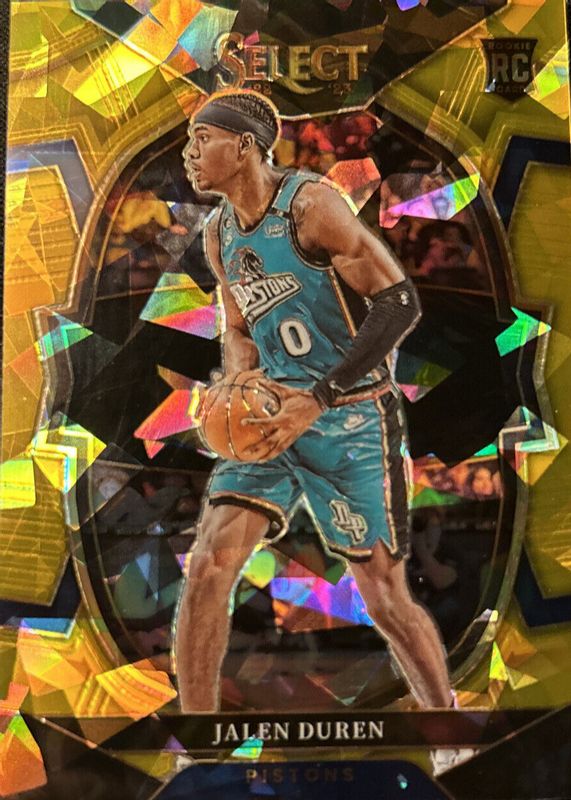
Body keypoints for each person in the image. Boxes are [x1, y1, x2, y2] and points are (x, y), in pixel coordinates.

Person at [174, 89, 454, 713]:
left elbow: (399, 301)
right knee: (209, 566)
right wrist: (237, 385)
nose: (189, 153)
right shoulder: (219, 234)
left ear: (243, 146)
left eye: (202, 139)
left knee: (385, 598)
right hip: (273, 419)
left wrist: (320, 398)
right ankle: (196, 742)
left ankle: (449, 733)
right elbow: (239, 328)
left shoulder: (310, 206)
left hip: (351, 419)